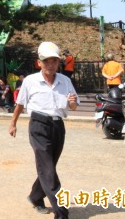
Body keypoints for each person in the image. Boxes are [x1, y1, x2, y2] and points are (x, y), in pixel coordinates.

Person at [9, 42, 79, 219]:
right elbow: (20, 104)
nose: (50, 65)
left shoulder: (65, 81)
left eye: (54, 61)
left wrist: (72, 102)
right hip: (38, 125)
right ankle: (61, 211)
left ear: (58, 63)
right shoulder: (31, 81)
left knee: (48, 166)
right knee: (47, 168)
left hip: (58, 126)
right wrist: (13, 123)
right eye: (46, 61)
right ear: (38, 63)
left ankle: (35, 196)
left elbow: (74, 105)